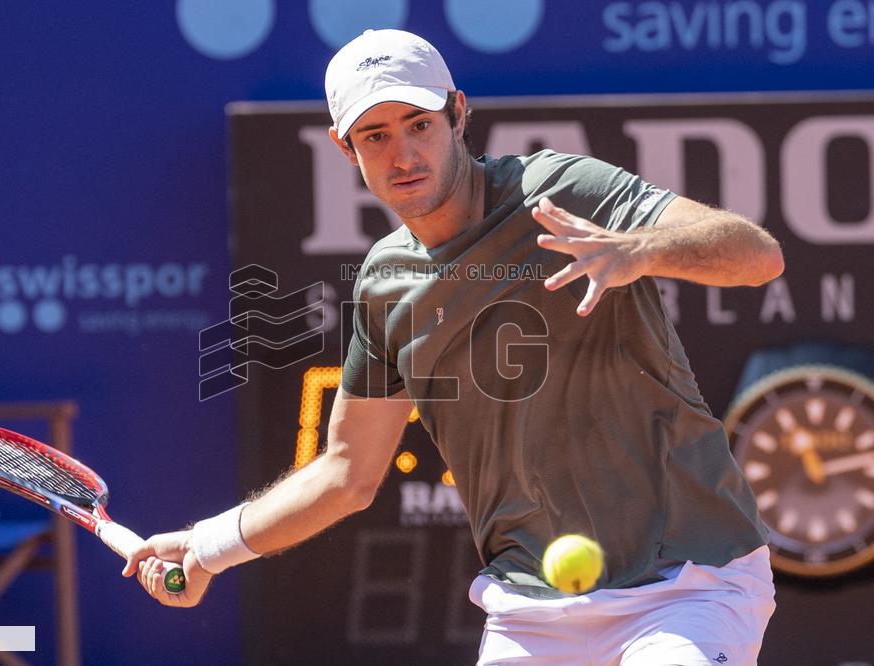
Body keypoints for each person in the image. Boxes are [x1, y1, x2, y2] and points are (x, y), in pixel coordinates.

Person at [124, 29, 783, 665]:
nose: (403, 155)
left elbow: (759, 257)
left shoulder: (564, 191)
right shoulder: (385, 285)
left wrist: (640, 249)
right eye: (375, 136)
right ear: (344, 148)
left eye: (419, 125)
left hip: (688, 579)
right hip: (530, 607)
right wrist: (205, 547)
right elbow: (346, 474)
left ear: (458, 114)